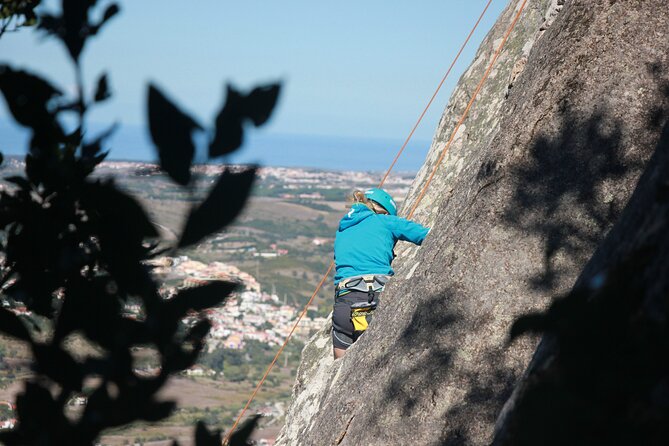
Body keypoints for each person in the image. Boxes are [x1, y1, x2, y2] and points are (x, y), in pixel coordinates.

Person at [332, 188, 429, 359]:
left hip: (344, 307)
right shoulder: (385, 221)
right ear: (384, 211)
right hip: (376, 299)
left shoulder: (343, 229)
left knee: (339, 371)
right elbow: (425, 235)